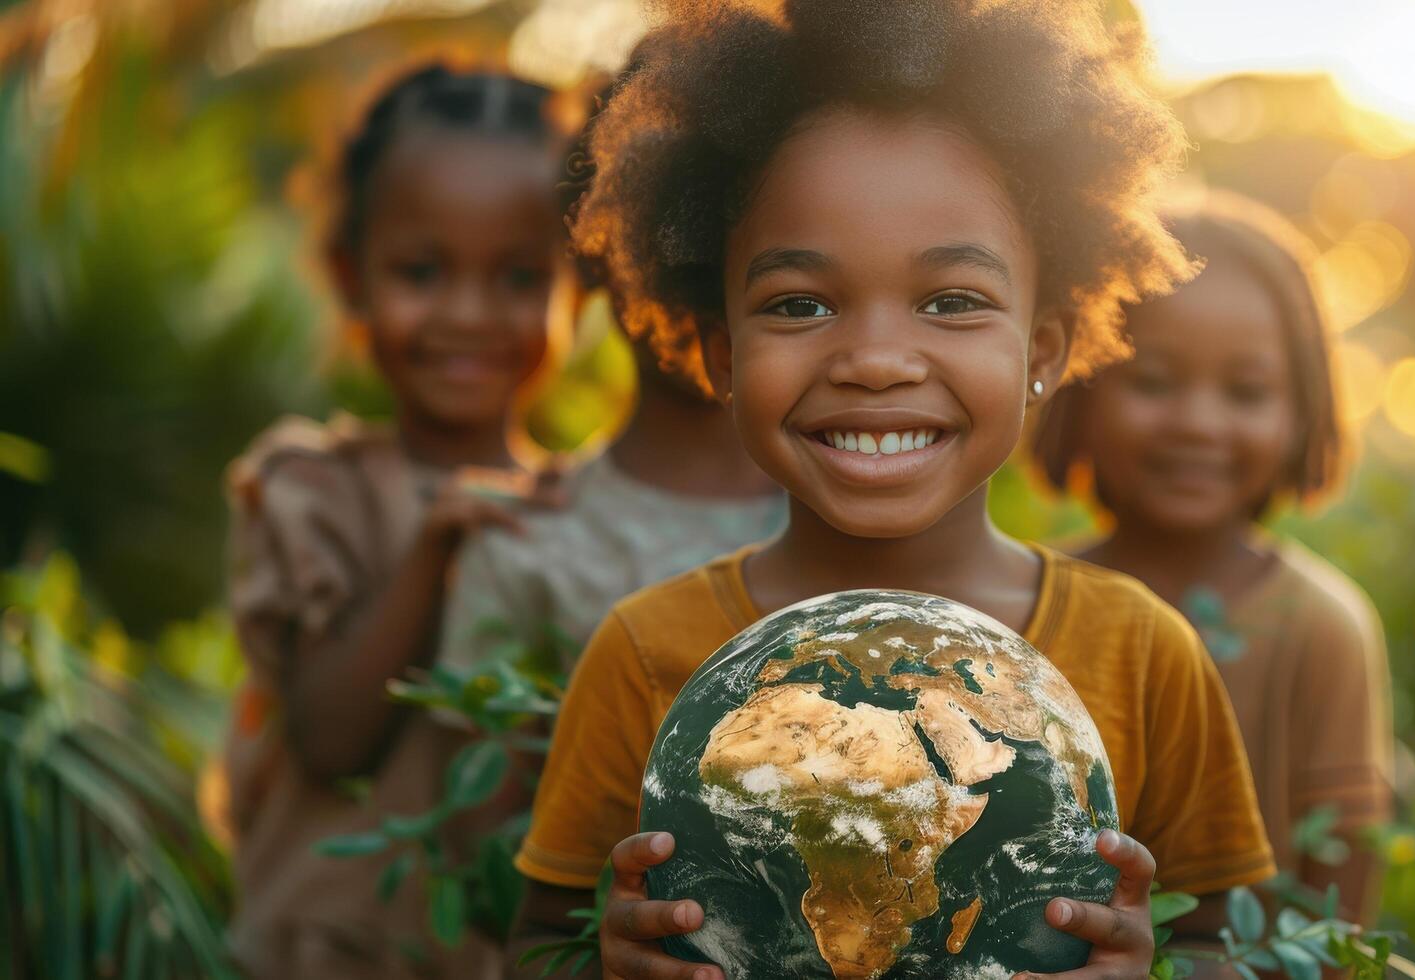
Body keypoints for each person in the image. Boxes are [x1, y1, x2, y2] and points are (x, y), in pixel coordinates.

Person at [507, 3, 1277, 977]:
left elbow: (1234, 943)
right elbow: (536, 944)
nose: (874, 359)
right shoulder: (643, 655)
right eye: (801, 303)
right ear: (722, 355)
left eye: (951, 301)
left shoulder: (1144, 654)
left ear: (1043, 349)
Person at [222, 64, 569, 979]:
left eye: (520, 277)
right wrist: (433, 547)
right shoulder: (307, 487)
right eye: (421, 271)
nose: (466, 315)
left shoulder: (578, 510)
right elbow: (330, 741)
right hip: (319, 953)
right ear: (351, 277)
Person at [1036, 191, 1394, 923]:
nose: (1198, 423)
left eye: (1245, 391)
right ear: (1080, 386)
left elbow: (1338, 919)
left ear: (1304, 412)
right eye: (1153, 381)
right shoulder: (1016, 602)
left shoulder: (1319, 625)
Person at [435, 56, 786, 680]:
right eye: (663, 235)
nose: (707, 282)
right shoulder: (529, 543)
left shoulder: (866, 511)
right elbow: (473, 763)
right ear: (590, 255)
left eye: (737, 238)